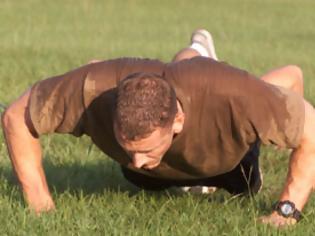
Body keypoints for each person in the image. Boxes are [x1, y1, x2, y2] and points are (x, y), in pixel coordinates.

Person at [1, 29, 314, 228]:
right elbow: (16, 117)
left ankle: (199, 52)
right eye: (129, 149)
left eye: (146, 150)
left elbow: (311, 129)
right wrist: (40, 204)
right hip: (161, 161)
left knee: (245, 184)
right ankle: (190, 55)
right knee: (140, 176)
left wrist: (286, 212)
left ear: (177, 120)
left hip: (228, 157)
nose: (136, 160)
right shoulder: (97, 88)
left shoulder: (234, 95)